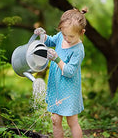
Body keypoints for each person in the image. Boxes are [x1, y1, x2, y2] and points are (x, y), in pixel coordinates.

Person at [34, 8, 87, 138]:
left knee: (71, 121)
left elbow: (69, 71)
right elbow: (50, 41)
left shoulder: (78, 50)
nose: (67, 39)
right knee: (55, 120)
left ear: (81, 32)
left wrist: (57, 59)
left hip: (69, 89)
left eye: (71, 36)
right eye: (64, 35)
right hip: (56, 87)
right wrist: (42, 35)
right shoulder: (60, 37)